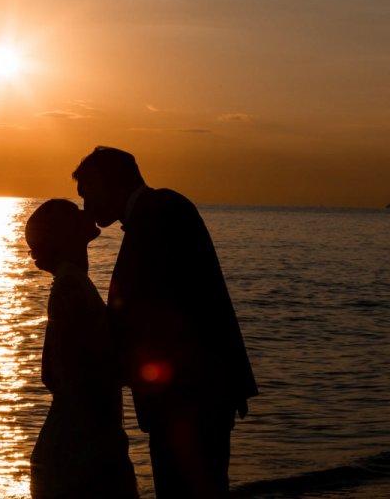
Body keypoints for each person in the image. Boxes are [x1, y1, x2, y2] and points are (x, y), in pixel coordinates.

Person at [73, 146, 258, 498]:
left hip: (189, 398)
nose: (87, 207)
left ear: (111, 184)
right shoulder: (160, 211)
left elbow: (168, 312)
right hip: (194, 394)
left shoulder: (160, 213)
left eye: (88, 195)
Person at [25, 199, 140, 499]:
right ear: (66, 233)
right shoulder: (70, 288)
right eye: (74, 212)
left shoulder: (72, 283)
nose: (86, 211)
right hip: (81, 444)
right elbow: (62, 373)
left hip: (81, 436)